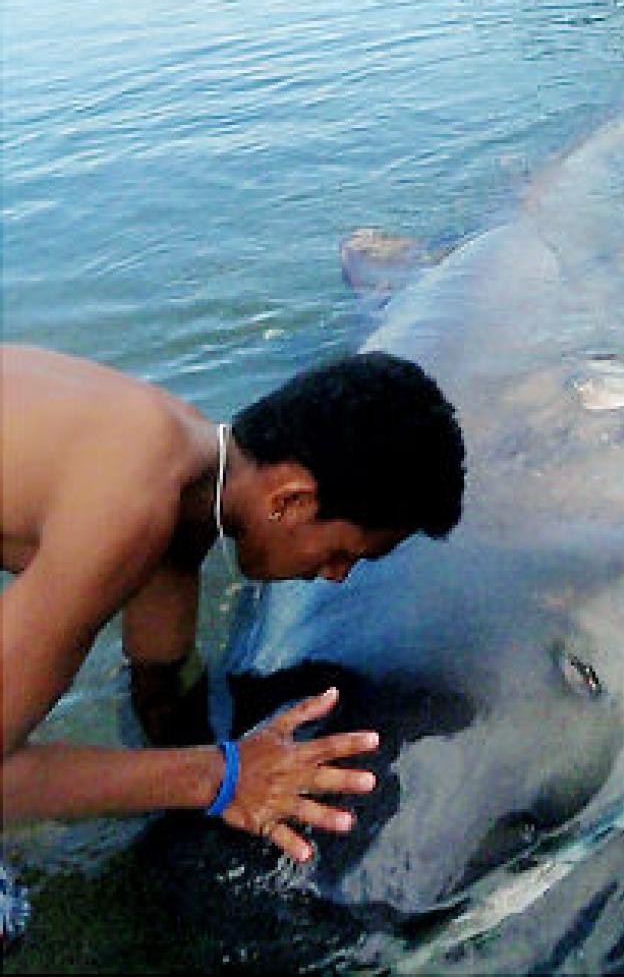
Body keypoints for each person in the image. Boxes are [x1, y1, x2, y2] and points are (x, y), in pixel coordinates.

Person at [0, 347, 465, 889]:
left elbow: (161, 685)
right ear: (291, 500)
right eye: (342, 553)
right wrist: (223, 776)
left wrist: (228, 767)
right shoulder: (129, 506)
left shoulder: (180, 468)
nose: (337, 576)